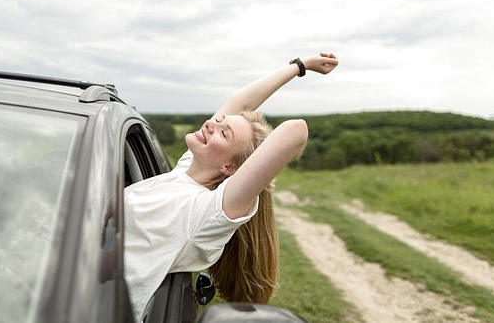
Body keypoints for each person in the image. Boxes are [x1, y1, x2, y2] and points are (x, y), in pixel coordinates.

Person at [124, 52, 339, 322]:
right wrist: (300, 66)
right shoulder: (184, 172)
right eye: (219, 122)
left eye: (224, 133)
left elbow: (296, 131)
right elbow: (241, 101)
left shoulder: (206, 212)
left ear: (230, 169)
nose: (211, 124)